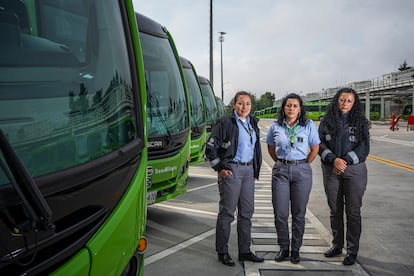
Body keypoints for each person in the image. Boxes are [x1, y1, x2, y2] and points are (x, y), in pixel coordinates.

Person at [205, 91, 264, 266]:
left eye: (247, 103)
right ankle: (222, 251)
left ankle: (244, 251)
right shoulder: (226, 122)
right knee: (227, 213)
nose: (244, 107)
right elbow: (210, 147)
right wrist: (220, 168)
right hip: (232, 170)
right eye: (240, 103)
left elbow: (255, 150)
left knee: (246, 213)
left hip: (248, 172)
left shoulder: (253, 123)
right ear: (234, 105)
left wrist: (254, 172)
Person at [265, 93, 320, 264]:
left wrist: (302, 164)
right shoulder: (275, 127)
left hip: (302, 171)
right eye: (288, 105)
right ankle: (284, 247)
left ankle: (296, 249)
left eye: (295, 106)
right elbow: (271, 148)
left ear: (300, 108)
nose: (291, 108)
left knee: (298, 213)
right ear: (284, 107)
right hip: (281, 170)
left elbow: (315, 148)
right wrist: (283, 163)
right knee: (280, 213)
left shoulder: (308, 125)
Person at [318, 87, 370, 266]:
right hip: (332, 171)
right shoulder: (326, 120)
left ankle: (352, 250)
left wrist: (345, 161)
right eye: (342, 100)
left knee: (353, 212)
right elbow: (320, 144)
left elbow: (364, 148)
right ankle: (337, 245)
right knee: (335, 210)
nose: (345, 103)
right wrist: (333, 160)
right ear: (336, 101)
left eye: (349, 101)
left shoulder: (361, 122)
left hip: (354, 171)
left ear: (354, 103)